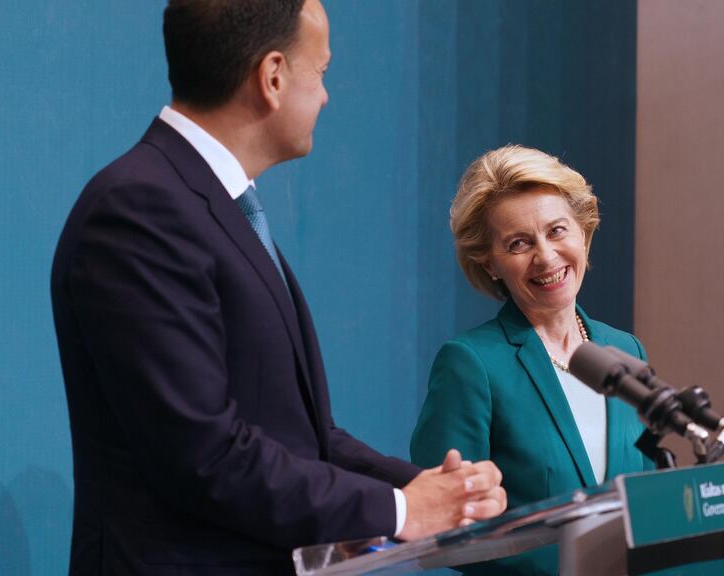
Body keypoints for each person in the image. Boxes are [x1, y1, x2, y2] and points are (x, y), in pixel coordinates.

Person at [50, 1, 506, 574]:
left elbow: (301, 437)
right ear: (272, 78)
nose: (325, 96)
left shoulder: (208, 204)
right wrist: (398, 510)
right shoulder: (139, 210)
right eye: (320, 72)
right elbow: (203, 454)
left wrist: (425, 486)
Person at [410, 145, 655, 575]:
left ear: (583, 232)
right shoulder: (471, 364)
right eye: (519, 243)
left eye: (557, 231)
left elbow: (650, 490)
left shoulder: (625, 350)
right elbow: (446, 531)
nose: (545, 256)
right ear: (489, 264)